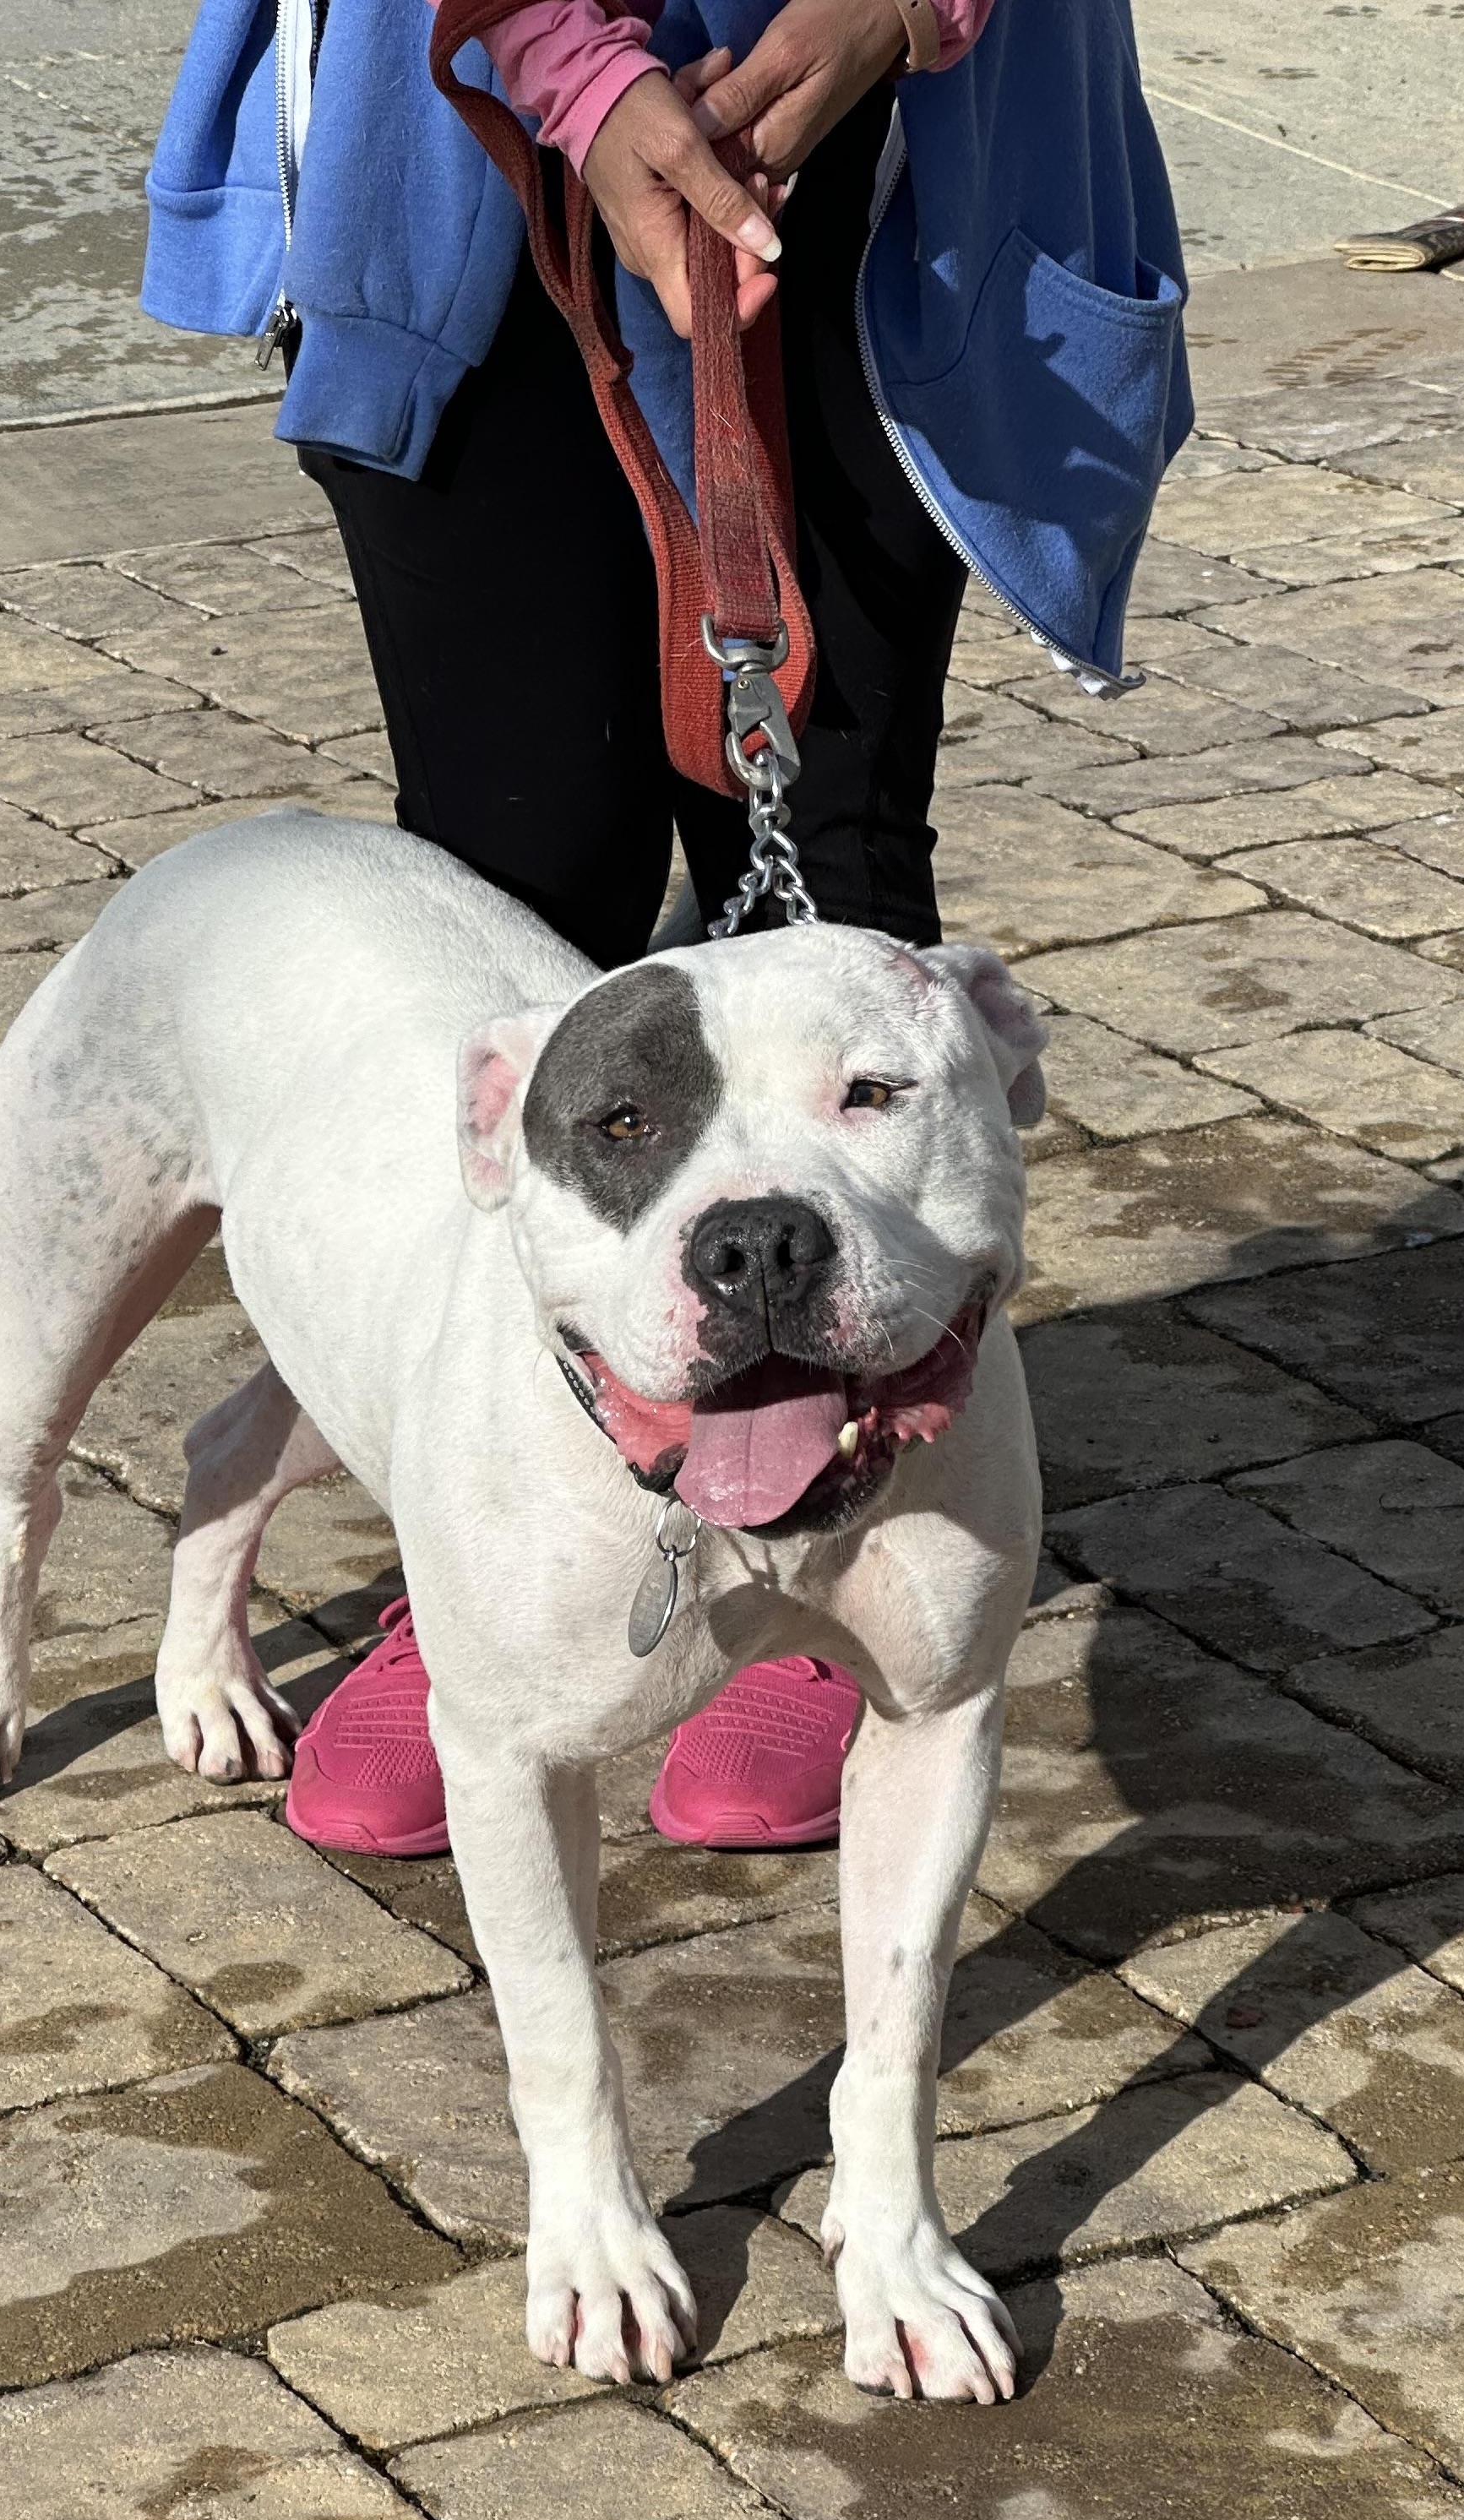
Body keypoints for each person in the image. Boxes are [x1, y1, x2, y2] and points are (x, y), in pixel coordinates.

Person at [141, 0, 1189, 1855]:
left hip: (909, 129)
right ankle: (472, 1558)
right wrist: (564, 54)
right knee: (511, 860)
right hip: (468, 106)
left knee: (830, 865)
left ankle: (844, 1546)